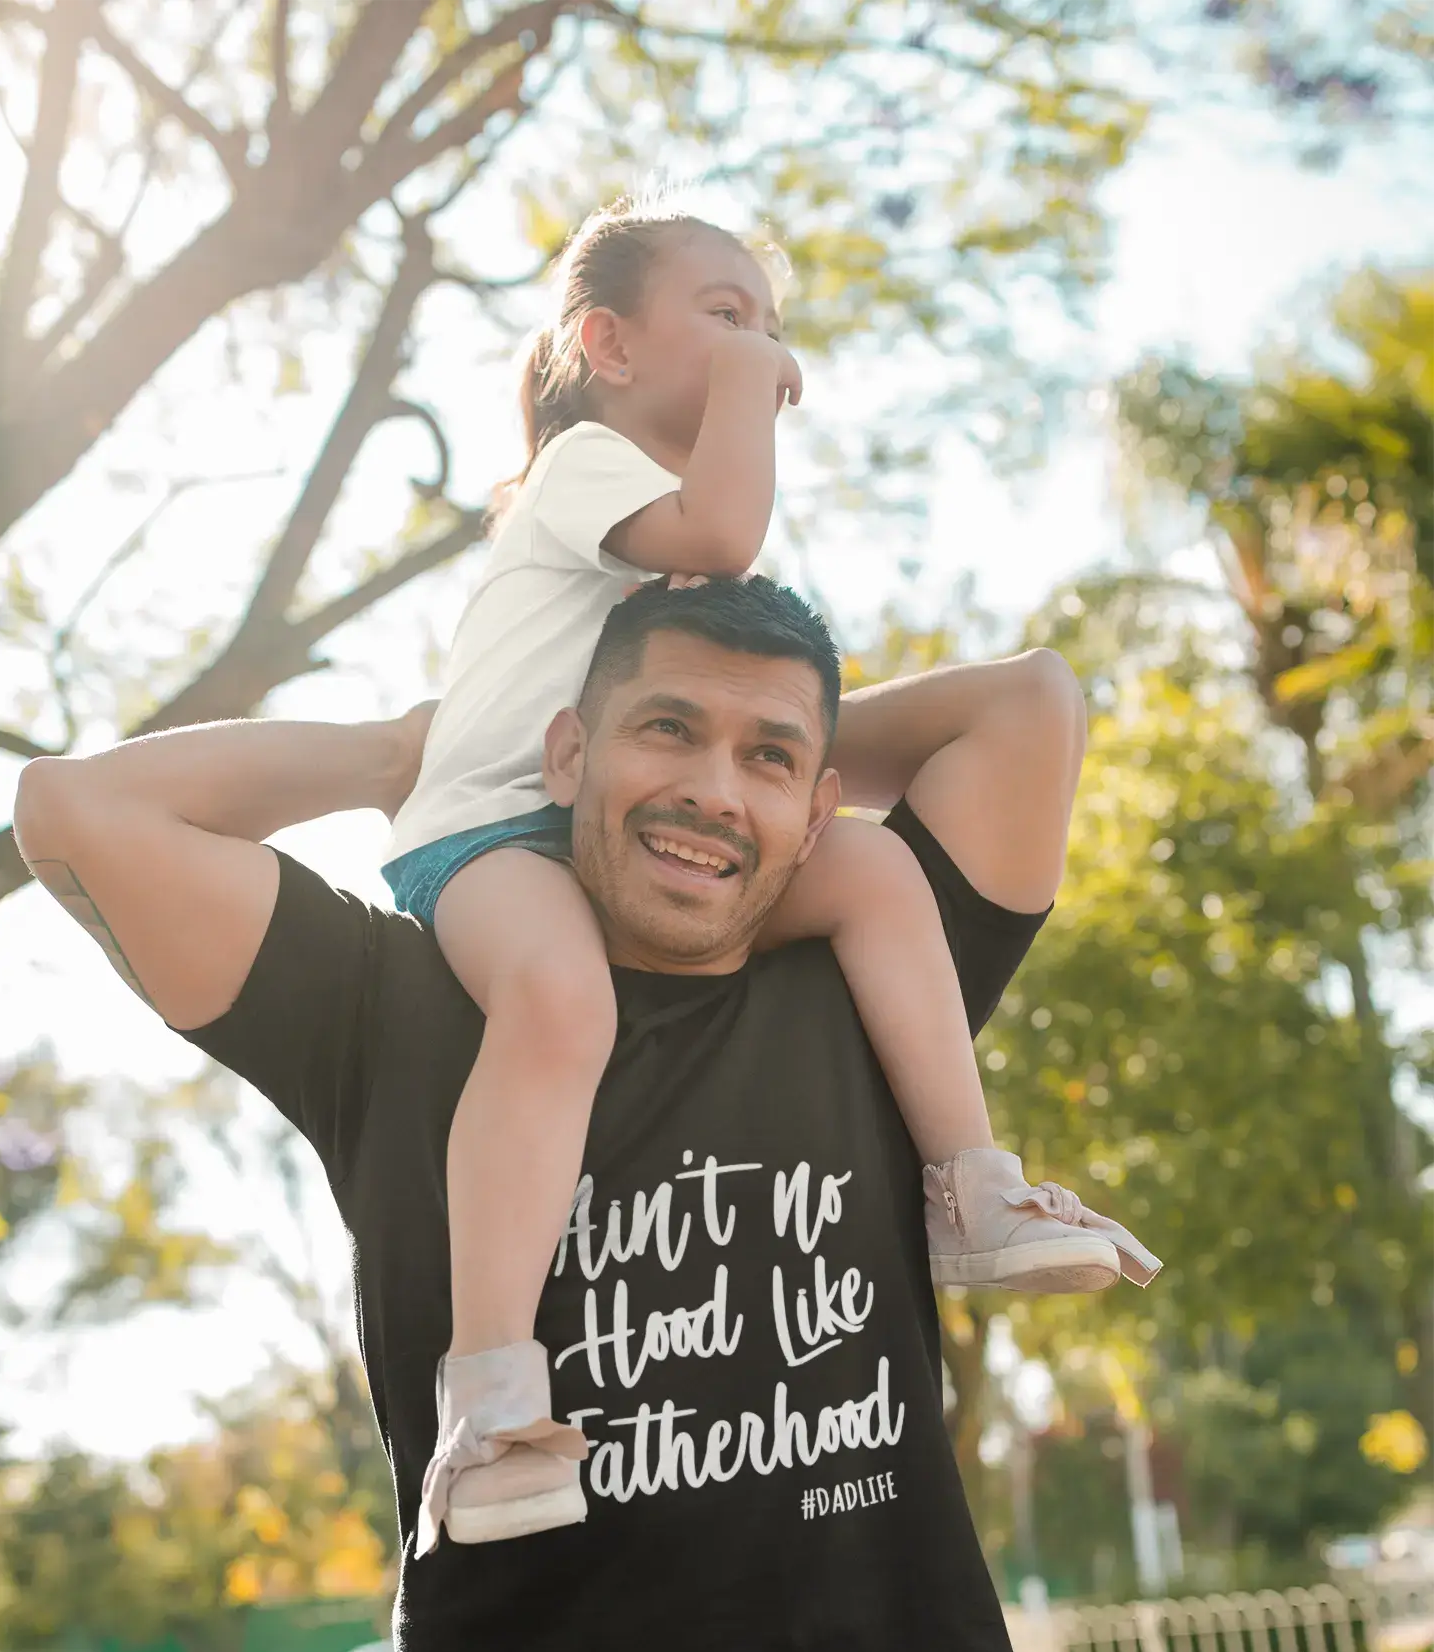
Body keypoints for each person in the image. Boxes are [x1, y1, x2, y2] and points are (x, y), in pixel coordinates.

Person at [15, 572, 1154, 1652]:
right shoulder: (397, 1004)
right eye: (663, 729)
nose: (712, 790)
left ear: (816, 810)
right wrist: (417, 754)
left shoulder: (877, 975)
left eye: (768, 759)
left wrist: (766, 758)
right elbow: (74, 812)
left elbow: (1027, 705)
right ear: (567, 752)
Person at [378, 201, 1158, 1549]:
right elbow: (726, 537)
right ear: (604, 342)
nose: (761, 349)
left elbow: (742, 660)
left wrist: (791, 772)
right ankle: (493, 1397)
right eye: (724, 315)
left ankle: (972, 1185)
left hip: (610, 831)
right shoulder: (582, 467)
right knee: (561, 1000)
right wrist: (752, 385)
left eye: (771, 327)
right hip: (493, 836)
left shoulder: (665, 543)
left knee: (859, 869)